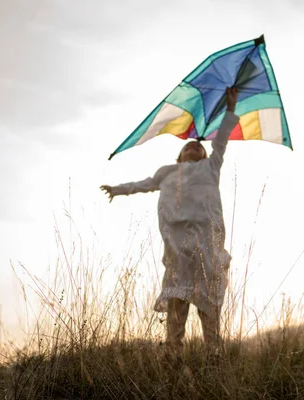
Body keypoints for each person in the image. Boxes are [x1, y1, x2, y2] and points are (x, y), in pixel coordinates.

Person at [101, 87, 239, 358]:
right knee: (176, 313)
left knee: (209, 311)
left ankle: (214, 361)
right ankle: (173, 361)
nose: (194, 146)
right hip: (178, 254)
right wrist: (117, 189)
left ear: (204, 154)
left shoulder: (210, 168)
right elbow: (142, 184)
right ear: (179, 156)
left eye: (198, 146)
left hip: (207, 252)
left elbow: (221, 141)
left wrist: (230, 109)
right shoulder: (167, 173)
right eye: (188, 144)